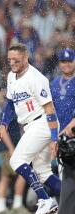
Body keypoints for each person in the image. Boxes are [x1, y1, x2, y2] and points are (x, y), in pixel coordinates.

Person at [0, 43, 61, 214]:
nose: (12, 63)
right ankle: (68, 199)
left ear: (25, 58)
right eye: (10, 60)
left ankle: (45, 200)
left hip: (42, 123)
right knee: (43, 173)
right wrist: (3, 124)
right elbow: (9, 102)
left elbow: (50, 109)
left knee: (16, 161)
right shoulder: (11, 76)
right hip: (31, 125)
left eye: (16, 60)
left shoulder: (36, 78)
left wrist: (54, 139)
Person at [50, 48, 75, 214]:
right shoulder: (53, 83)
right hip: (58, 138)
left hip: (72, 135)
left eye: (69, 61)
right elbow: (49, 110)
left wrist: (69, 128)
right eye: (63, 61)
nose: (66, 64)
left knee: (69, 178)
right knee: (57, 177)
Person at [0, 118, 29, 214]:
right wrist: (11, 149)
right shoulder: (9, 110)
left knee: (5, 177)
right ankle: (17, 205)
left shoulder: (10, 109)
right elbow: (3, 131)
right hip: (10, 149)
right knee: (23, 174)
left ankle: (0, 207)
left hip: (9, 148)